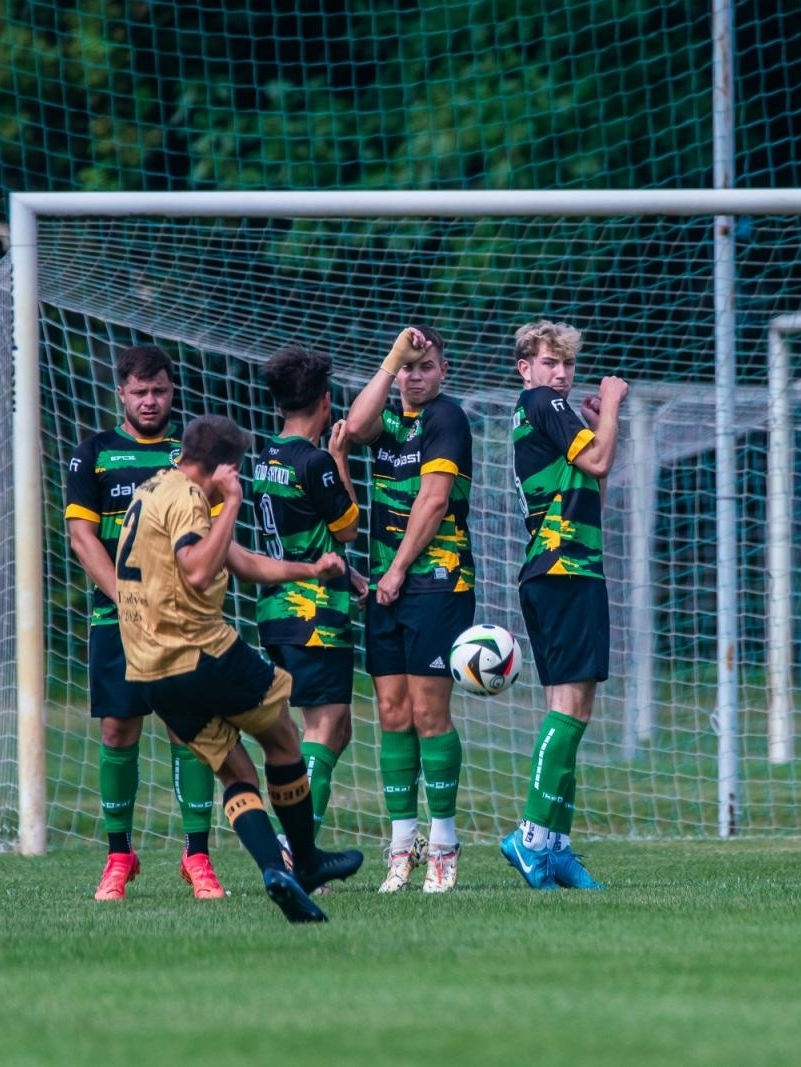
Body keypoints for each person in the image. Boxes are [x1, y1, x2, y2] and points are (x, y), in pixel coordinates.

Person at [115, 414, 364, 922]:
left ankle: (276, 871)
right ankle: (309, 862)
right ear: (226, 467)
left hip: (150, 671)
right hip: (200, 653)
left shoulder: (151, 490)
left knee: (237, 771)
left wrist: (309, 569)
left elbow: (236, 558)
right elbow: (202, 570)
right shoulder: (189, 497)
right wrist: (231, 502)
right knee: (285, 738)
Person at [63, 344, 223, 901]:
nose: (149, 401)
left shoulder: (191, 456)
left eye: (158, 390)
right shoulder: (94, 455)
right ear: (121, 395)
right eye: (139, 392)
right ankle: (118, 855)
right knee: (117, 731)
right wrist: (128, 597)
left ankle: (197, 856)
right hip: (117, 620)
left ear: (171, 390)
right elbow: (83, 536)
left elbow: (214, 536)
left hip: (184, 622)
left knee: (189, 730)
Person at [344, 326, 475, 894]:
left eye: (426, 367)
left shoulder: (448, 419)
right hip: (386, 590)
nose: (416, 376)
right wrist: (391, 356)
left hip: (436, 585)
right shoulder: (389, 424)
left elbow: (435, 499)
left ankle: (443, 845)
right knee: (392, 714)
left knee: (428, 716)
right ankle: (402, 848)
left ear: (443, 372)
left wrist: (396, 570)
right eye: (408, 368)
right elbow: (352, 427)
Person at [499, 320, 628, 890]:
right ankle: (529, 838)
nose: (561, 373)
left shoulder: (554, 413)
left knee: (575, 710)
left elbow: (594, 485)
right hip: (560, 568)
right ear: (525, 368)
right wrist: (617, 401)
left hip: (569, 568)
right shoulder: (541, 402)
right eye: (550, 362)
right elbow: (597, 465)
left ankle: (556, 848)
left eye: (567, 365)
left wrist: (603, 424)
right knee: (570, 711)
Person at [250, 345, 369, 860]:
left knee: (334, 729)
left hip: (278, 612)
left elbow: (305, 534)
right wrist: (340, 458)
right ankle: (295, 845)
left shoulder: (265, 458)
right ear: (325, 402)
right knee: (324, 727)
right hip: (314, 615)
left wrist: (350, 572)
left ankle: (299, 835)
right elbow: (346, 527)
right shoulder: (316, 461)